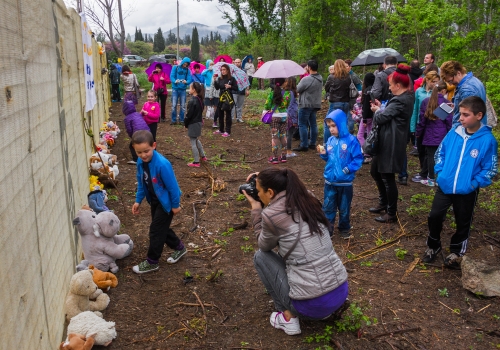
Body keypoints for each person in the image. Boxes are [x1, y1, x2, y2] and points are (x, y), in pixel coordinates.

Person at [242, 167, 348, 336]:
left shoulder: (270, 215)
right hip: (339, 292)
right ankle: (325, 310)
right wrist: (261, 176)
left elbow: (264, 246)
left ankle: (288, 317)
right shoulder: (308, 198)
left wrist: (256, 208)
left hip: (310, 306)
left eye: (259, 191)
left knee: (260, 257)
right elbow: (288, 180)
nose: (258, 194)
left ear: (270, 192)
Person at [422, 96, 497, 268]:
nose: (461, 118)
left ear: (479, 115)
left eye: (465, 114)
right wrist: (440, 173)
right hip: (445, 186)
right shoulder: (454, 133)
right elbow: (440, 153)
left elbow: (489, 168)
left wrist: (474, 183)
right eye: (460, 114)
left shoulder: (487, 140)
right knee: (434, 216)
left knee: (463, 221)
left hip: (467, 190)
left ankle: (456, 251)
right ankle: (433, 246)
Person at [131, 130, 186, 273]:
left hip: (166, 203)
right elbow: (142, 183)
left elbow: (173, 187)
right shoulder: (140, 162)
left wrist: (175, 205)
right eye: (139, 152)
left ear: (154, 146)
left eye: (146, 151)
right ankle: (179, 248)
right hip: (154, 201)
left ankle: (152, 261)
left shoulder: (162, 164)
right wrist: (138, 201)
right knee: (161, 227)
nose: (143, 155)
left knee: (156, 230)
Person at [369, 64, 415, 223]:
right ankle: (383, 202)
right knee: (375, 171)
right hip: (387, 139)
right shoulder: (406, 97)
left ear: (398, 85)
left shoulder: (400, 101)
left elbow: (381, 118)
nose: (389, 88)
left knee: (387, 177)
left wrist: (377, 110)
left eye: (390, 85)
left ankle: (391, 212)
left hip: (392, 142)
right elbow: (389, 115)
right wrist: (383, 108)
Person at [318, 109, 363, 239]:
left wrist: (347, 169)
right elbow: (329, 159)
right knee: (328, 206)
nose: (331, 129)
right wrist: (324, 154)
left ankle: (344, 228)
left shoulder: (351, 141)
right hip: (330, 181)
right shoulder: (330, 141)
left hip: (345, 182)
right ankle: (328, 229)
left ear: (341, 124)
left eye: (334, 126)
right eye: (329, 127)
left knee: (344, 208)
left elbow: (358, 158)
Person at [415, 80, 453, 187]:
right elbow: (449, 122)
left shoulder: (426, 102)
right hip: (443, 135)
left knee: (431, 156)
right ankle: (440, 178)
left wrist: (418, 133)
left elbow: (422, 120)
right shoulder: (446, 104)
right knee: (442, 156)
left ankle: (431, 178)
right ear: (444, 90)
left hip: (429, 134)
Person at [410, 71, 440, 183]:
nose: (436, 84)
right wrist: (412, 127)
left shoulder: (437, 93)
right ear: (427, 80)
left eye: (437, 81)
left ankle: (427, 172)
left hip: (431, 126)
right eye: (434, 81)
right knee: (421, 150)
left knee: (430, 151)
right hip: (420, 123)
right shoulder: (418, 91)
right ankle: (424, 169)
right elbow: (415, 109)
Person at [440, 60, 487, 127]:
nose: (450, 84)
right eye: (448, 82)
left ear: (458, 73)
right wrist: (456, 106)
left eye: (451, 80)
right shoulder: (474, 80)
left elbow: (469, 116)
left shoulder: (467, 90)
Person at [293, 59, 323, 152]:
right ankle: (312, 143)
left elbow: (297, 89)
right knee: (313, 124)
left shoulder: (306, 79)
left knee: (302, 124)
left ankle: (304, 145)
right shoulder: (320, 78)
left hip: (306, 104)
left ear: (309, 68)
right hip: (315, 104)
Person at [263, 78, 291, 164]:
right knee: (283, 135)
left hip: (274, 117)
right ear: (284, 83)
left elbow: (267, 105)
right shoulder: (287, 94)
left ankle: (275, 157)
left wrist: (269, 108)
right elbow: (288, 104)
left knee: (274, 137)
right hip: (284, 117)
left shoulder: (272, 93)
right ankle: (283, 156)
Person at [324, 59, 351, 139]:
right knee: (343, 123)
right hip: (346, 102)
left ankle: (327, 144)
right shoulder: (348, 77)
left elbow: (326, 88)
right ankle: (344, 142)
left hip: (335, 103)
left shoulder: (332, 77)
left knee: (328, 123)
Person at [184, 82, 207, 167]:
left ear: (194, 90)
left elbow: (189, 115)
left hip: (193, 123)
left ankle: (196, 162)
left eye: (190, 88)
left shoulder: (192, 101)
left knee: (193, 142)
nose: (189, 90)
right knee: (196, 139)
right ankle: (203, 156)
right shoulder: (200, 100)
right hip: (198, 122)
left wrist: (185, 123)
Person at [213, 64, 238, 137]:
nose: (223, 71)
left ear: (227, 70)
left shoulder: (232, 79)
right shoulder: (220, 79)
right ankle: (221, 129)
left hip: (228, 98)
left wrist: (230, 86)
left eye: (224, 70)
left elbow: (236, 88)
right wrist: (215, 81)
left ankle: (228, 131)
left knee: (228, 114)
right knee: (220, 114)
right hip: (221, 97)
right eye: (222, 70)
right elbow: (217, 88)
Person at [358, 73, 376, 164]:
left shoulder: (367, 91)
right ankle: (370, 152)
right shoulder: (374, 90)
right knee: (370, 135)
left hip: (366, 117)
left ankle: (367, 153)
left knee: (360, 135)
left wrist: (364, 119)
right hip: (372, 115)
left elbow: (365, 106)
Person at [170, 57, 193, 125]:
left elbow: (189, 79)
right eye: (184, 64)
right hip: (175, 89)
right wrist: (175, 81)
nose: (185, 65)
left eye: (186, 64)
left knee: (183, 106)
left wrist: (186, 82)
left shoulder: (188, 70)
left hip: (183, 90)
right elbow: (172, 76)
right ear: (182, 62)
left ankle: (182, 119)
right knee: (174, 105)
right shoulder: (175, 67)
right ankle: (173, 120)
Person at [283, 77, 299, 159]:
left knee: (286, 133)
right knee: (289, 134)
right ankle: (288, 151)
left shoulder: (284, 92)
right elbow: (291, 107)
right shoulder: (291, 93)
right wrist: (294, 119)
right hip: (290, 116)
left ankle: (285, 150)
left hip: (284, 114)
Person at [232, 58, 250, 123]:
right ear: (234, 63)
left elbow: (246, 81)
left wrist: (247, 89)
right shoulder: (232, 71)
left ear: (241, 63)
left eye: (238, 62)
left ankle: (239, 118)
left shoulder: (244, 71)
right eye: (236, 62)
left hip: (242, 90)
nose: (237, 63)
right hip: (234, 90)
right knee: (233, 105)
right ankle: (231, 118)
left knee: (240, 105)